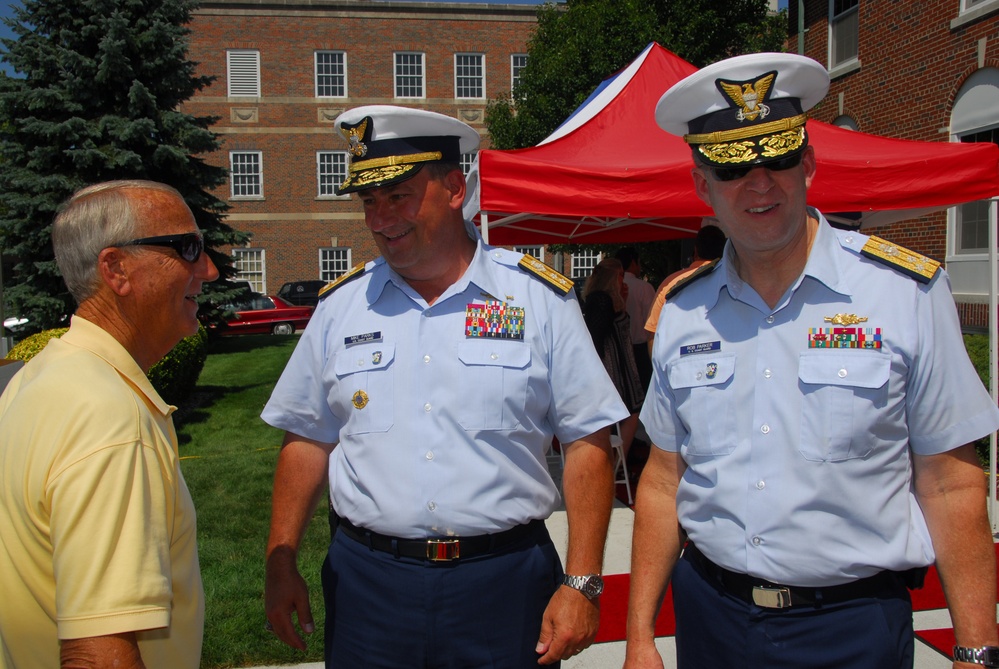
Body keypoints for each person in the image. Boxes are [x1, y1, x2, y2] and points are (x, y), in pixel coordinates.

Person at [625, 52, 999, 669]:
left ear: (809, 162)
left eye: (777, 158)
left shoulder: (902, 294)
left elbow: (952, 480)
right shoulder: (684, 312)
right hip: (712, 621)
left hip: (853, 629)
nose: (760, 182)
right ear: (702, 186)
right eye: (732, 168)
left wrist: (976, 647)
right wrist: (640, 635)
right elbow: (665, 479)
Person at [261, 105, 629, 668]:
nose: (381, 219)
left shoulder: (537, 300)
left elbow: (587, 441)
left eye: (398, 196)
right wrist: (279, 560)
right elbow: (308, 437)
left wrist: (582, 581)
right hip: (369, 587)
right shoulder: (341, 308)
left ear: (455, 188)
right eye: (369, 202)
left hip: (504, 584)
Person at [0, 180, 217, 668]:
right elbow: (98, 652)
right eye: (187, 248)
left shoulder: (37, 378)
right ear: (116, 268)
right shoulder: (111, 419)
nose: (209, 269)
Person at [582, 257, 643, 461]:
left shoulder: (605, 298)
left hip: (620, 367)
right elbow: (596, 337)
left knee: (627, 415)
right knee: (627, 415)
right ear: (612, 277)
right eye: (620, 276)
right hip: (613, 369)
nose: (622, 281)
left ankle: (615, 463)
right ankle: (615, 464)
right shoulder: (600, 300)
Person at [644, 223, 726, 356]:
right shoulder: (735, 283)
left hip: (679, 361)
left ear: (696, 251)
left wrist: (659, 372)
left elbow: (652, 333)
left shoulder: (670, 284)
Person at [614, 247, 655, 391]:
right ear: (633, 263)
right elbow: (651, 321)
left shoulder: (611, 286)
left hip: (617, 350)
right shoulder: (644, 287)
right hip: (639, 350)